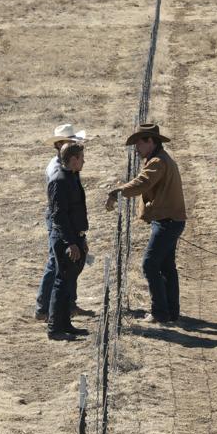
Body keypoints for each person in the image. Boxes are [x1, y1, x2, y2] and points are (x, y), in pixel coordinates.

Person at [106, 122, 186, 325]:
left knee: (150, 264)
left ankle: (159, 312)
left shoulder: (157, 162)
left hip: (167, 221)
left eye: (138, 143)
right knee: (166, 266)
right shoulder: (158, 159)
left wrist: (119, 191)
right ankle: (170, 312)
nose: (136, 148)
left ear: (150, 141)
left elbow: (143, 183)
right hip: (170, 220)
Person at [36, 124, 94, 322]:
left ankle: (67, 305)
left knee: (66, 264)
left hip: (66, 220)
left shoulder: (67, 168)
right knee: (57, 263)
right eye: (71, 141)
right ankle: (45, 308)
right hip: (59, 220)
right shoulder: (57, 170)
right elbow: (59, 208)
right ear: (61, 144)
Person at [46, 142, 91, 341]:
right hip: (65, 240)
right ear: (73, 160)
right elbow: (59, 216)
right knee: (61, 281)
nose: (84, 161)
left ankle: (65, 324)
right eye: (81, 158)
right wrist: (72, 243)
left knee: (68, 281)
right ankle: (55, 328)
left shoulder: (72, 176)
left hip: (75, 237)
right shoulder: (60, 181)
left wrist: (81, 238)